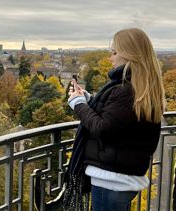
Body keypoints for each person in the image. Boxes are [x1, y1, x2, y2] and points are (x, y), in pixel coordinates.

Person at [63, 28, 166, 211]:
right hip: (123, 178)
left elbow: (104, 129)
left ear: (129, 54)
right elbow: (119, 120)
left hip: (111, 180)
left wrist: (78, 104)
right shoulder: (140, 88)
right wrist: (89, 101)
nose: (111, 58)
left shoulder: (125, 90)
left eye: (114, 52)